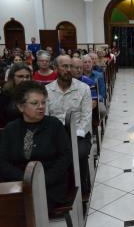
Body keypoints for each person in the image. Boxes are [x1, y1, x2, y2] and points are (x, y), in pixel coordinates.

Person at [0, 80, 72, 211]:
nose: (41, 106)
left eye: (43, 102)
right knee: (10, 208)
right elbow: (2, 162)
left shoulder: (54, 125)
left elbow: (65, 157)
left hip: (51, 184)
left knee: (32, 207)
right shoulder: (11, 129)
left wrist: (43, 180)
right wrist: (25, 180)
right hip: (19, 183)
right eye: (35, 103)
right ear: (21, 107)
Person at [46, 55, 92, 197]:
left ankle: (82, 188)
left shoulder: (83, 88)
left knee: (79, 153)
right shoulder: (47, 90)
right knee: (50, 155)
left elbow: (86, 117)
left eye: (70, 66)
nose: (68, 70)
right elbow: (46, 118)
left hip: (78, 133)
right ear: (55, 68)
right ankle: (60, 191)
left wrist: (77, 134)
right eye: (64, 66)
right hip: (55, 135)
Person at [0, 63, 32, 127]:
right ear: (12, 77)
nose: (24, 80)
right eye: (20, 76)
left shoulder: (35, 93)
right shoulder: (5, 95)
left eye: (27, 76)